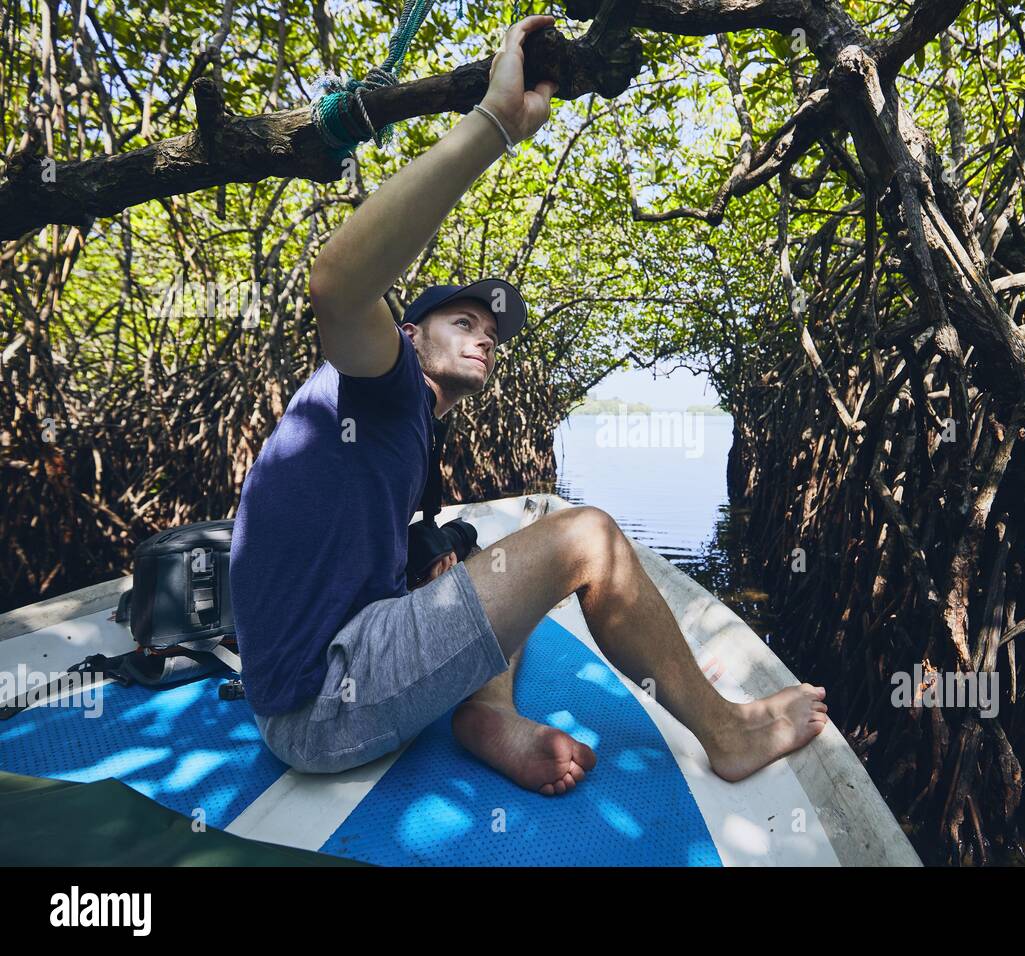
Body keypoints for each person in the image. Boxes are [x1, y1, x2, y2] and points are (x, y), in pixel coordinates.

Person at [230, 14, 828, 795]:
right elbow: (338, 283)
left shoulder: (407, 429)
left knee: (488, 555)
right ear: (407, 335)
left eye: (491, 331)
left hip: (328, 672)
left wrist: (425, 569)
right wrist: (493, 126)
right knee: (587, 537)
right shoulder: (381, 385)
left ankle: (486, 714)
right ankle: (727, 731)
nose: (485, 339)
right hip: (318, 703)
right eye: (463, 323)